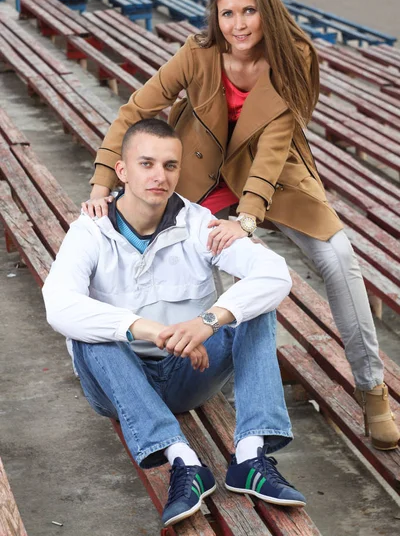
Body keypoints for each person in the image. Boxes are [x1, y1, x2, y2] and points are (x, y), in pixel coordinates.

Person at [82, 0, 399, 451]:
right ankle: (205, 369)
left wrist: (248, 218)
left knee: (337, 257)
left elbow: (275, 144)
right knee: (221, 262)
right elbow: (135, 111)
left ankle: (371, 387)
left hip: (274, 175)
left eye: (249, 10)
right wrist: (103, 180)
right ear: (215, 16)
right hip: (203, 175)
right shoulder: (197, 53)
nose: (239, 24)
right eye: (227, 13)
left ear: (266, 11)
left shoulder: (295, 57)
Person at [43, 118, 306, 528]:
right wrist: (148, 329)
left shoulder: (200, 224)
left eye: (169, 165)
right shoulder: (90, 232)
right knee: (90, 333)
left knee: (255, 306)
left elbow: (275, 275)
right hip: (119, 387)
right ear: (123, 171)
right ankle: (183, 462)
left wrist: (207, 322)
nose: (159, 176)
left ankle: (250, 457)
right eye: (146, 163)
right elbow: (57, 304)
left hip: (188, 375)